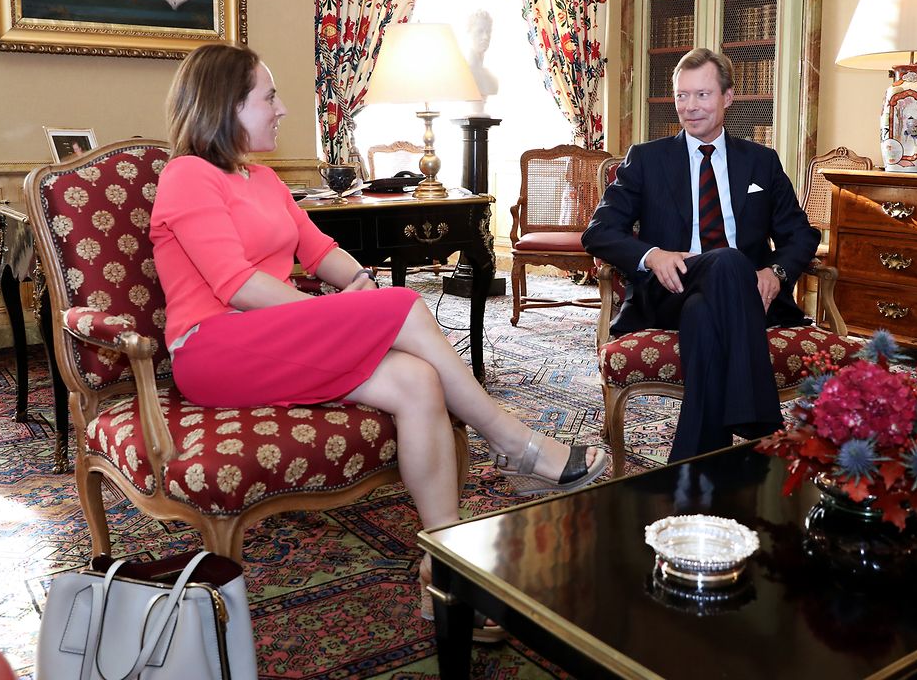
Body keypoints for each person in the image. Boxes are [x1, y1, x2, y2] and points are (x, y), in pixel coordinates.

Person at [150, 43, 606, 636]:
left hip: (272, 338)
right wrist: (336, 314)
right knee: (403, 303)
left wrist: (356, 284)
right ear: (226, 106)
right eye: (268, 96)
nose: (283, 109)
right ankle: (516, 442)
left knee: (418, 382)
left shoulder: (261, 179)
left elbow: (318, 251)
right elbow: (236, 285)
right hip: (212, 348)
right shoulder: (187, 175)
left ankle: (443, 571)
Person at [582, 48, 818, 463]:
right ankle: (761, 420)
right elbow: (598, 232)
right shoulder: (647, 159)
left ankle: (692, 467)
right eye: (681, 96)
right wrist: (652, 254)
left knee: (704, 315)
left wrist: (777, 272)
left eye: (702, 95)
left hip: (744, 299)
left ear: (728, 97)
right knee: (728, 261)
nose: (689, 108)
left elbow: (801, 234)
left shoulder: (761, 163)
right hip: (667, 292)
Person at [464, 9, 499, 116]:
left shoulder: (491, 77)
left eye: (488, 32)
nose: (485, 37)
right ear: (469, 32)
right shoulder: (463, 74)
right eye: (480, 31)